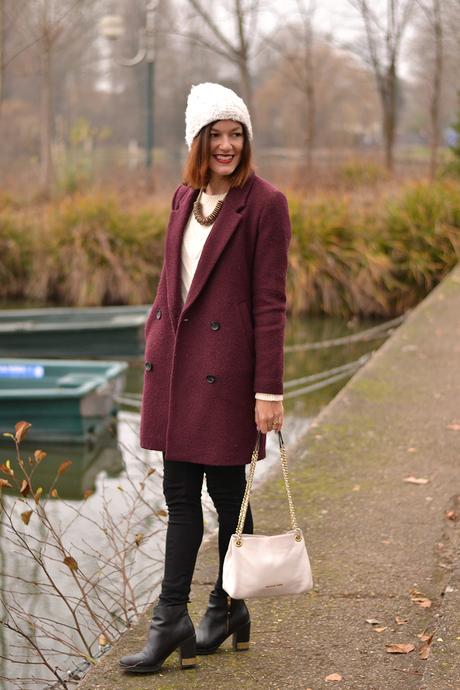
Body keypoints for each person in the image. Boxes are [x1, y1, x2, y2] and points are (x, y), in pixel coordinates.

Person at [119, 82, 291, 674]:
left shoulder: (265, 203)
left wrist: (269, 390)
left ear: (246, 139)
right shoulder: (181, 198)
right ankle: (176, 619)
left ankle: (225, 605)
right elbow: (172, 282)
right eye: (215, 134)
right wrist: (154, 336)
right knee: (180, 497)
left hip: (230, 375)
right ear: (197, 139)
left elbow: (270, 303)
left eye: (235, 133)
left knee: (228, 497)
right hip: (174, 368)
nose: (226, 145)